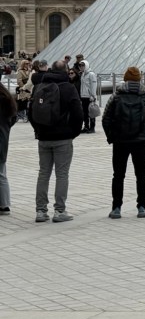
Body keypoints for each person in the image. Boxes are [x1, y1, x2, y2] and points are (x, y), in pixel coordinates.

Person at [29, 60, 83, 223]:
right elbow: (78, 113)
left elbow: (31, 112)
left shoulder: (39, 86)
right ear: (66, 70)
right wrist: (73, 133)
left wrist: (38, 130)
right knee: (62, 174)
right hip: (63, 138)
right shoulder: (68, 88)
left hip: (44, 137)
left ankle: (40, 211)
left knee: (43, 174)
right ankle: (59, 211)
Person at [102, 67, 145, 219]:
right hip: (140, 141)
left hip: (120, 141)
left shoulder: (116, 96)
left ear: (125, 79)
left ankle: (116, 208)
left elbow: (105, 118)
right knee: (141, 174)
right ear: (139, 79)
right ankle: (142, 207)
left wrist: (111, 137)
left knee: (118, 175)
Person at [0, 83, 16, 216]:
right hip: (3, 139)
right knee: (2, 173)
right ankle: (4, 204)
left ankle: (4, 204)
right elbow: (14, 118)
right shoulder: (6, 98)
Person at [79, 60, 99, 134]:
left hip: (89, 96)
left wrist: (93, 96)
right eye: (80, 66)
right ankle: (86, 126)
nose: (81, 67)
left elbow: (93, 86)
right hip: (83, 96)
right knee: (85, 112)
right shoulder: (82, 74)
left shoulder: (91, 74)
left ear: (86, 65)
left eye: (83, 65)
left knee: (91, 112)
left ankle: (92, 127)